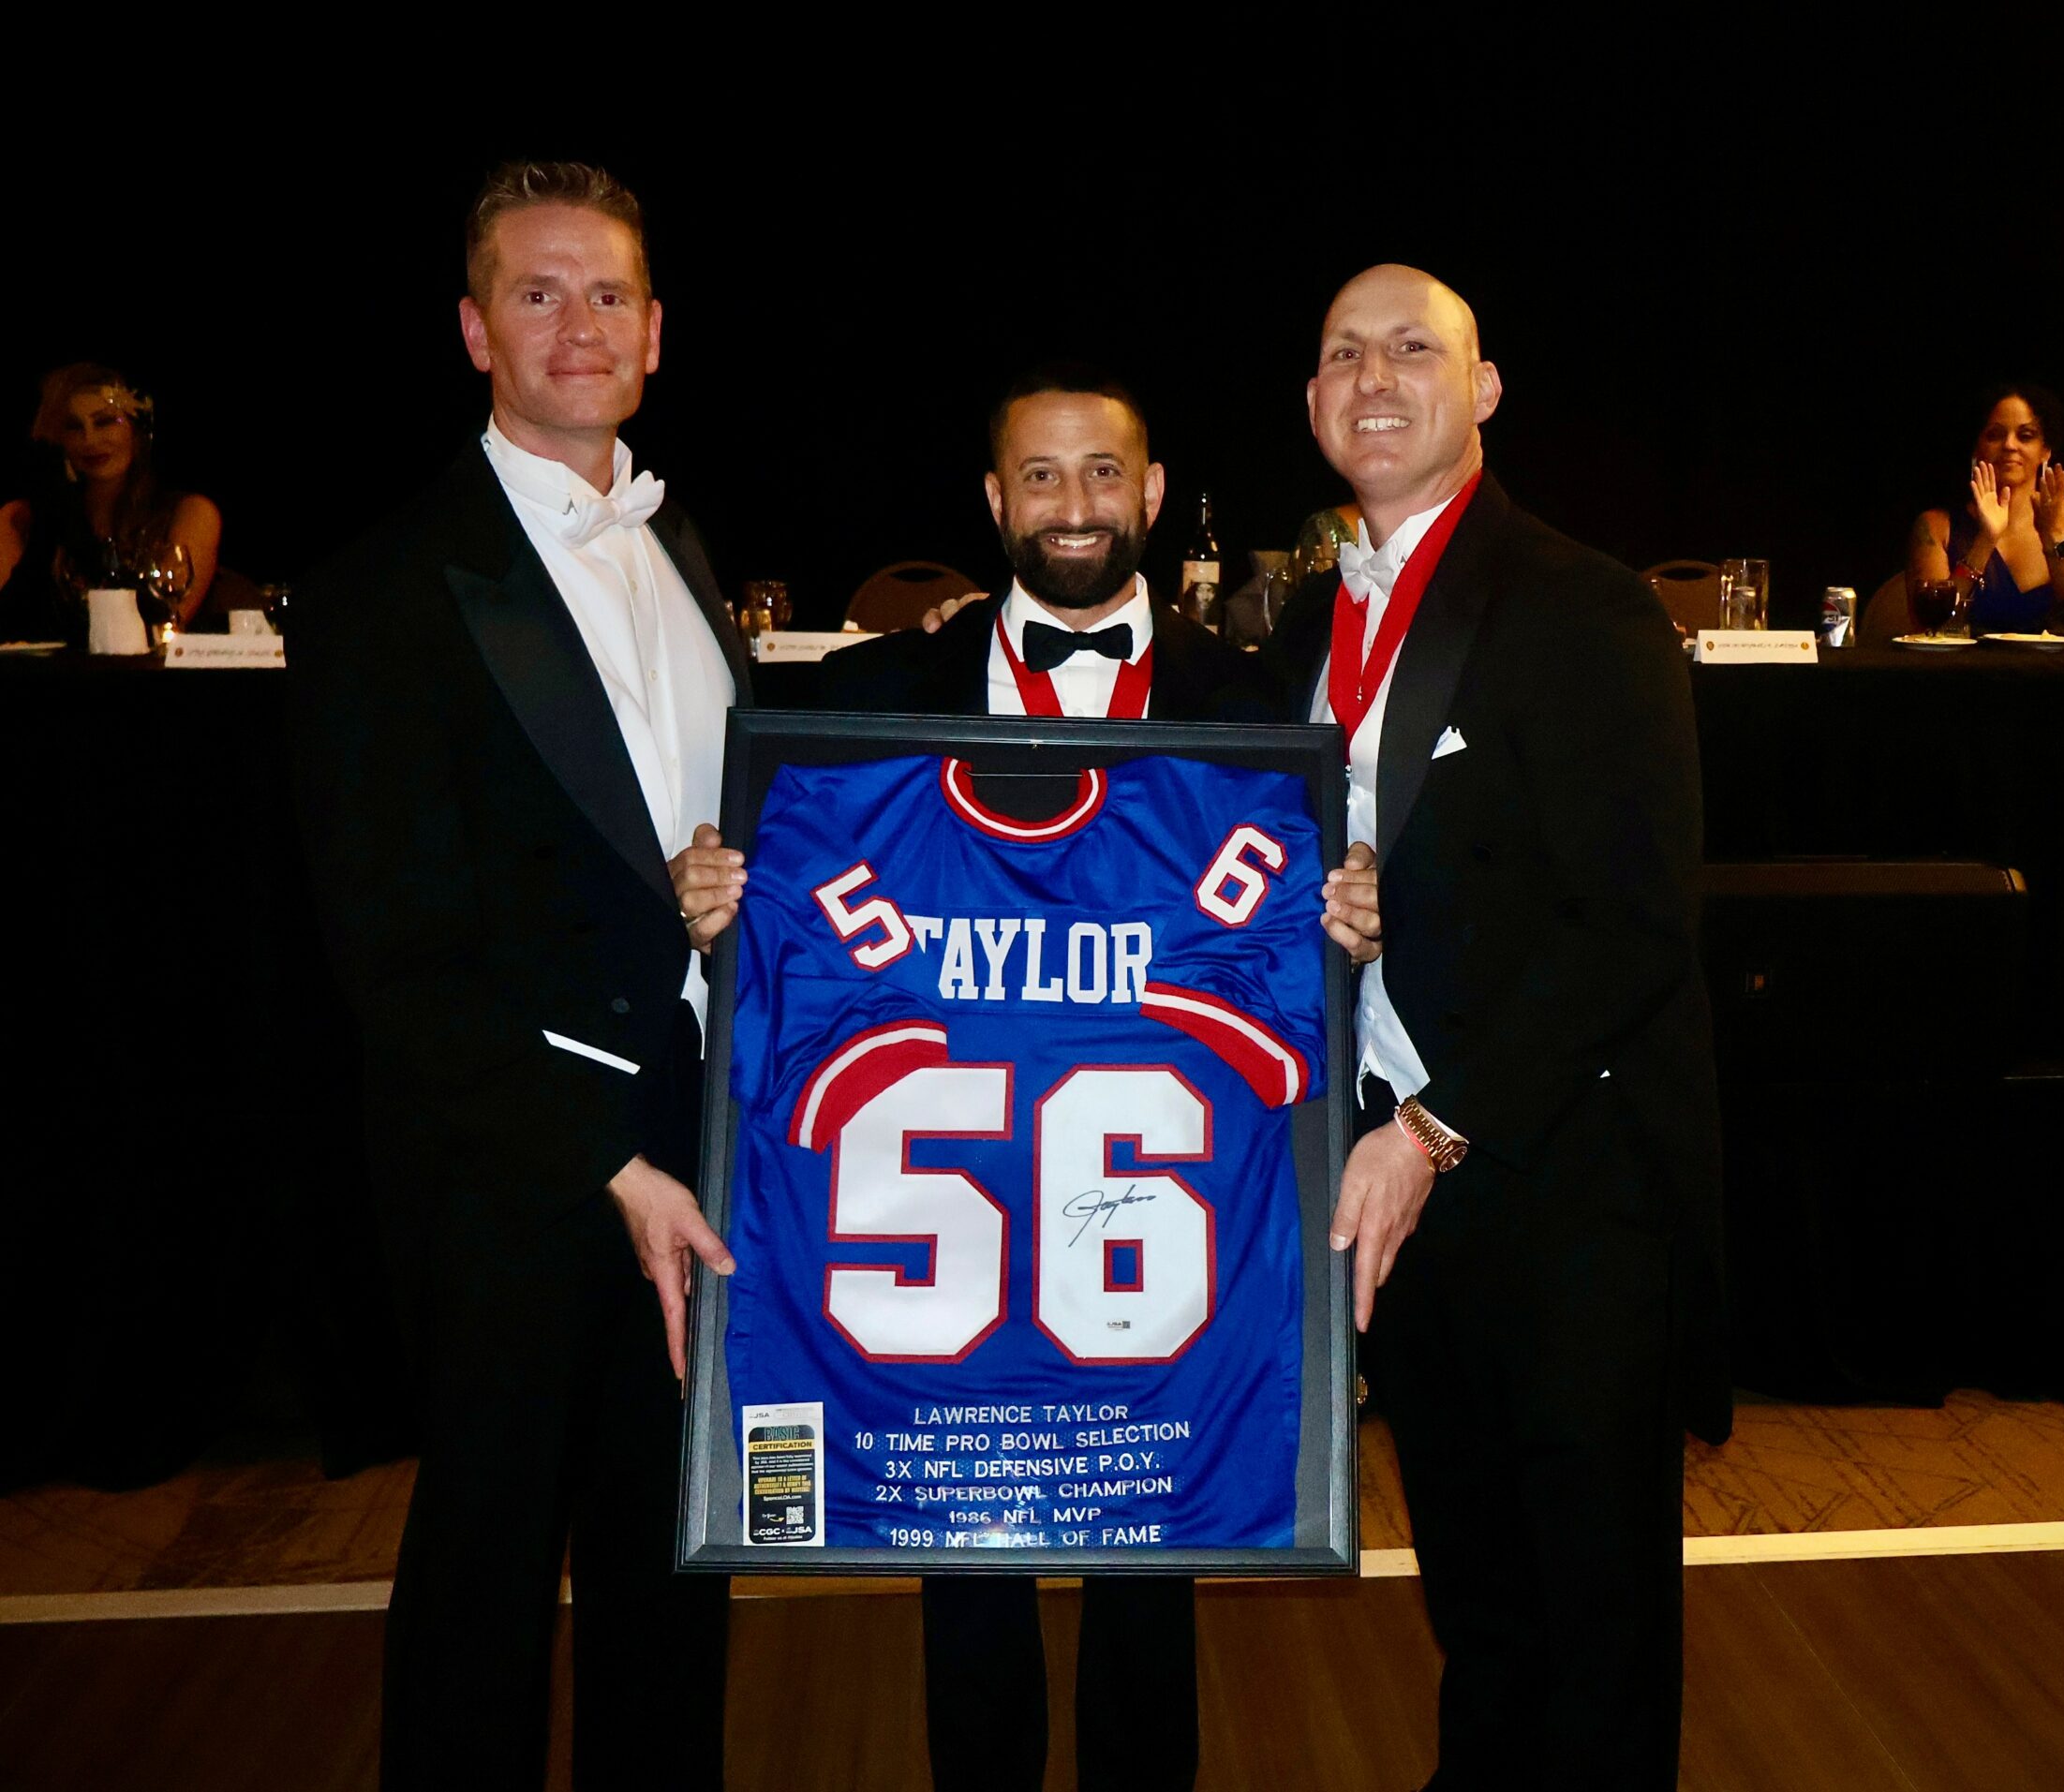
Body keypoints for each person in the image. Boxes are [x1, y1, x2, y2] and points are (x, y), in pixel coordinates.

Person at [676, 363, 1378, 1792]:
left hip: (1143, 1230)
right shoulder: (861, 704)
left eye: (1104, 473)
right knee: (961, 1543)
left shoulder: (1254, 713)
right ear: (994, 502)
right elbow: (773, 915)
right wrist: (717, 889)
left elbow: (1314, 953)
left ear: (1154, 493)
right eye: (1042, 478)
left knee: (1154, 1544)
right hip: (948, 1221)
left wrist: (1352, 916)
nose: (1075, 507)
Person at [288, 161, 743, 1789]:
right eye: (539, 293)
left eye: (609, 292)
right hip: (518, 1169)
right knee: (484, 1586)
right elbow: (397, 963)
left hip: (704, 1141)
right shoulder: (381, 595)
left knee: (672, 1570)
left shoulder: (681, 539)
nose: (580, 324)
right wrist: (603, 1162)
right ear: (475, 328)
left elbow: (663, 846)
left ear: (658, 330)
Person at [1265, 264, 1727, 1787]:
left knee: (1594, 1626)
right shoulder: (1300, 623)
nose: (1374, 376)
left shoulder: (1583, 603)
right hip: (1406, 1190)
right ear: (1313, 398)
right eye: (1343, 352)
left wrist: (1436, 1121)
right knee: (1479, 1603)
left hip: (1564, 1182)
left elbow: (1638, 929)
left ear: (1487, 388)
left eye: (1414, 347)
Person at [0, 363, 222, 641]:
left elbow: (159, 624)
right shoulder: (20, 518)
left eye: (104, 422)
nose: (90, 440)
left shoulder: (189, 512)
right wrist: (50, 524)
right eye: (74, 427)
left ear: (137, 430)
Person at [1907, 383, 2064, 634]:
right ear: (1976, 448)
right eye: (1995, 435)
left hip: (2058, 671)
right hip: (1963, 671)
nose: (2010, 445)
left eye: (2025, 436)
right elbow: (1929, 627)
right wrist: (1985, 540)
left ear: (2046, 450)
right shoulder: (1935, 526)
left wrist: (2052, 532)